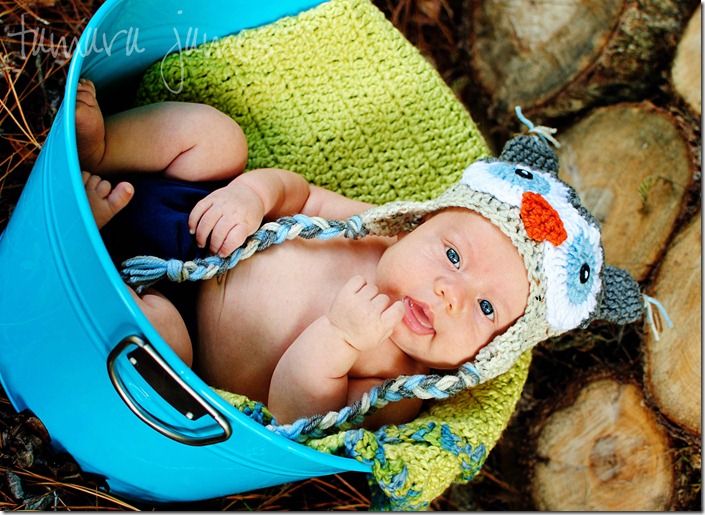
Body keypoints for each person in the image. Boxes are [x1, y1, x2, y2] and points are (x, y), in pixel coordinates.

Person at [75, 79, 645, 427]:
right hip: (197, 211)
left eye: (486, 309)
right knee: (217, 139)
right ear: (419, 224)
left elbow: (292, 413)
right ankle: (103, 150)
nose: (450, 295)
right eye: (452, 258)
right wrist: (250, 196)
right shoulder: (372, 229)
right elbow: (298, 194)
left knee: (156, 344)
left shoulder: (395, 385)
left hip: (177, 321)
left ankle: (80, 257)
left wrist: (340, 338)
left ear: (491, 353)